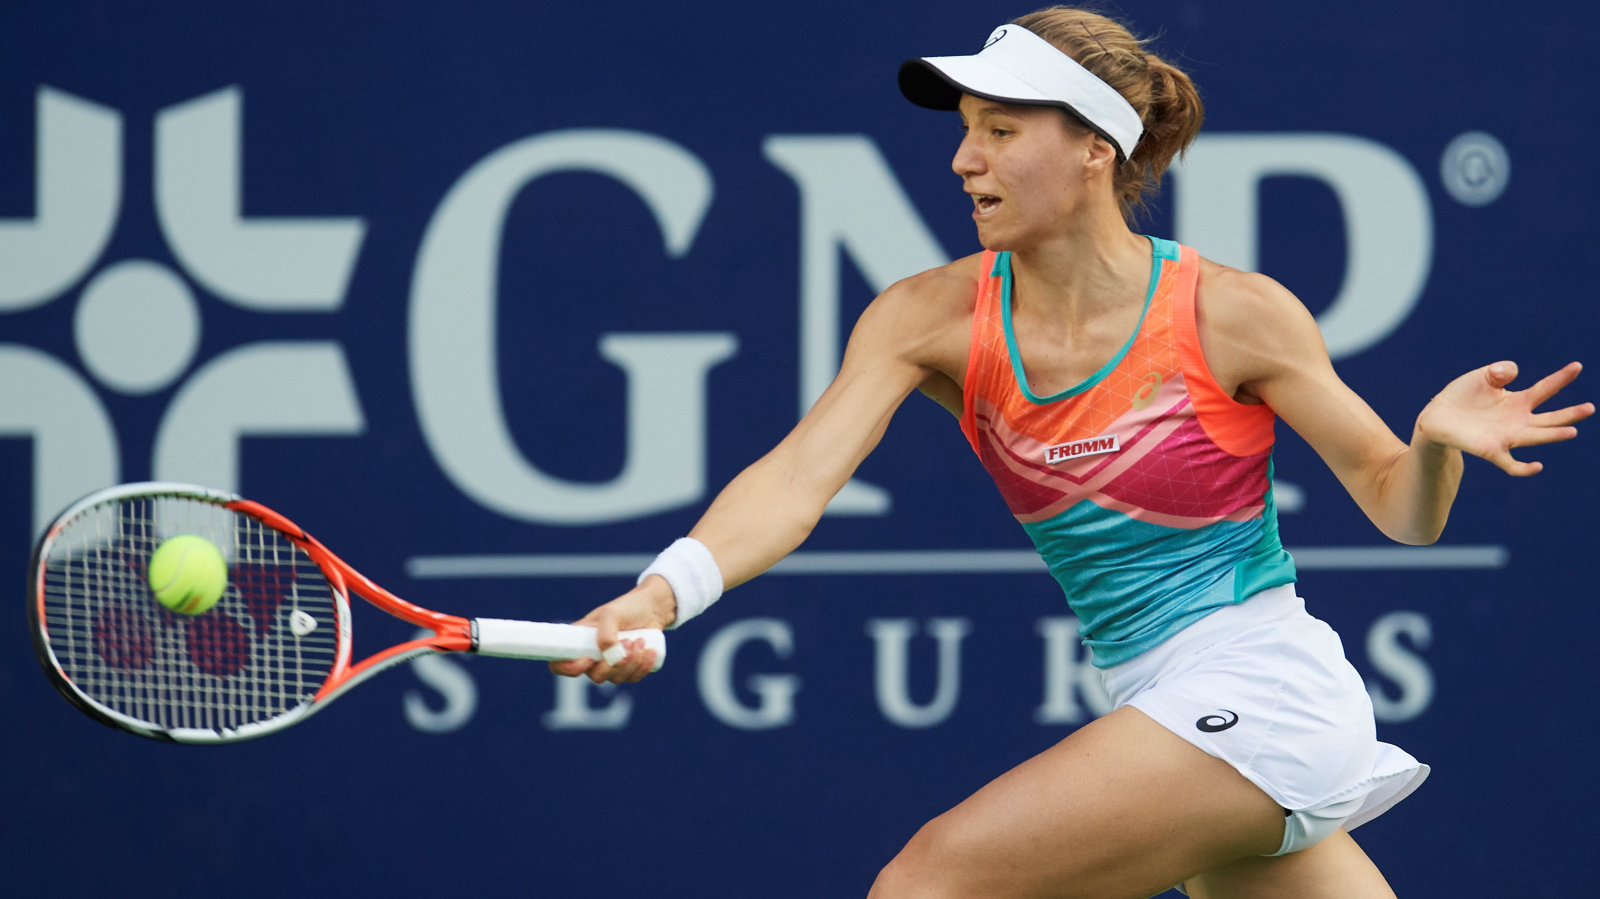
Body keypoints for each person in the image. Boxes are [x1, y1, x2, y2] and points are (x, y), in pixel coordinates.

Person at [551, 6, 1591, 897]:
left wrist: (1433, 446)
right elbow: (794, 477)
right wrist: (663, 592)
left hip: (1260, 687)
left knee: (928, 882)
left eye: (1001, 130)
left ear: (1097, 147)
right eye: (966, 131)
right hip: (1161, 702)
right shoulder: (929, 317)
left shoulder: (1235, 314)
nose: (965, 159)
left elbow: (1400, 507)